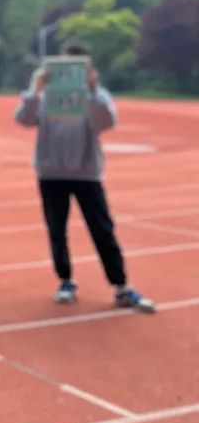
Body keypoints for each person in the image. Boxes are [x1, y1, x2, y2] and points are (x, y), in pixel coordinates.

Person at [15, 43, 154, 311]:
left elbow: (107, 122)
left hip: (87, 174)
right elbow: (23, 119)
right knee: (57, 229)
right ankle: (65, 280)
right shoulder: (45, 96)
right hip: (51, 173)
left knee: (102, 229)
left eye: (78, 67)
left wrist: (91, 89)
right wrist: (35, 89)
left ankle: (121, 285)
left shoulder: (96, 96)